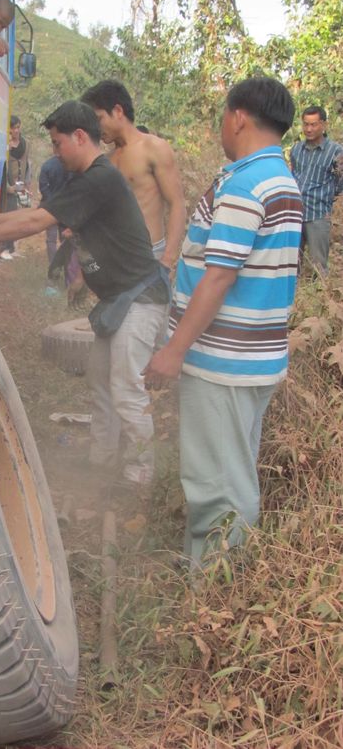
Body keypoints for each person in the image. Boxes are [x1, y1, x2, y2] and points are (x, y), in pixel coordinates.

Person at [0, 100, 171, 486]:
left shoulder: (100, 179)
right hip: (120, 302)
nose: (54, 152)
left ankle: (140, 474)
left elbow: (34, 221)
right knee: (101, 379)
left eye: (58, 143)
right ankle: (102, 460)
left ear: (80, 137)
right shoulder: (89, 180)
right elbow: (40, 213)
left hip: (141, 300)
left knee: (126, 386)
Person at [143, 77, 303, 569]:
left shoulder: (244, 183)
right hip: (252, 359)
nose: (221, 127)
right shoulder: (280, 179)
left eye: (222, 117)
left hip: (224, 362)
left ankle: (215, 589)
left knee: (218, 484)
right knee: (231, 470)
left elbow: (218, 278)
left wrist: (173, 351)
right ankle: (212, 574)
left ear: (238, 117)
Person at [81, 80, 186, 271]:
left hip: (149, 256)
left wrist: (167, 260)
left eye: (98, 119)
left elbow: (177, 204)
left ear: (118, 111)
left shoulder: (154, 148)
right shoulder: (106, 161)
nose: (95, 128)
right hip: (114, 259)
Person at [290, 105, 343, 277]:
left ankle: (322, 300)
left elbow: (340, 182)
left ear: (324, 125)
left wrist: (324, 197)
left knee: (318, 267)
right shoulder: (296, 149)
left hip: (318, 215)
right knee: (291, 264)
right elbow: (294, 176)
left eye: (314, 124)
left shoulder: (336, 151)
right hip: (295, 214)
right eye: (306, 124)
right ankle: (293, 300)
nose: (309, 129)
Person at [0, 115, 32, 260]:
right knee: (8, 216)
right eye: (13, 128)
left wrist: (26, 183)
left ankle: (11, 247)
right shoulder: (4, 146)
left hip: (20, 185)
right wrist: (8, 187)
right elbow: (2, 168)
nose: (16, 131)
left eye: (18, 127)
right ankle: (5, 247)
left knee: (19, 215)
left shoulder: (25, 144)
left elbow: (27, 165)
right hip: (8, 187)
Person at [39, 155, 68, 264]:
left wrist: (52, 202)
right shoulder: (70, 166)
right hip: (66, 209)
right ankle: (66, 265)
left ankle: (53, 266)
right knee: (65, 239)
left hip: (50, 209)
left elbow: (43, 187)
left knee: (51, 240)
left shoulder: (47, 165)